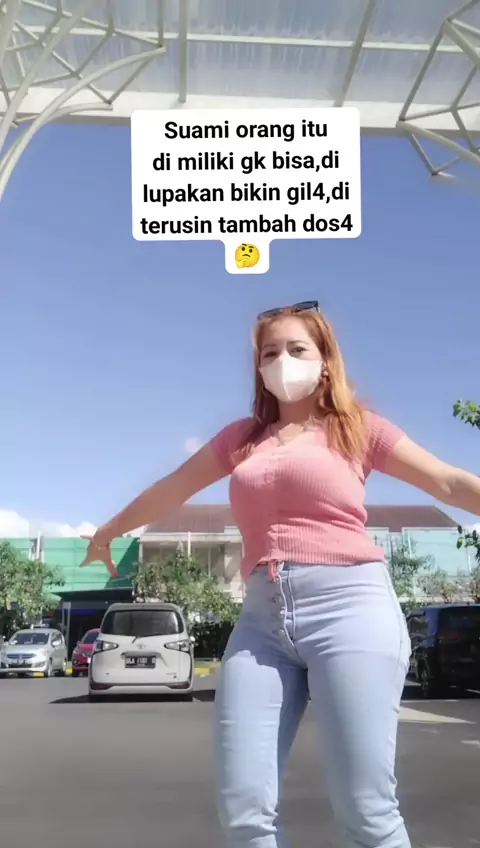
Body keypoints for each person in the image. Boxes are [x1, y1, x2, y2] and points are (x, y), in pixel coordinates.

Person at [82, 301, 480, 848]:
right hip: (261, 622)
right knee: (243, 811)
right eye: (270, 353)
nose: (281, 361)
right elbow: (173, 486)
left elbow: (448, 482)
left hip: (351, 610)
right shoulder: (241, 438)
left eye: (296, 349)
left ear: (325, 361)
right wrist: (108, 531)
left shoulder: (357, 428)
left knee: (366, 809)